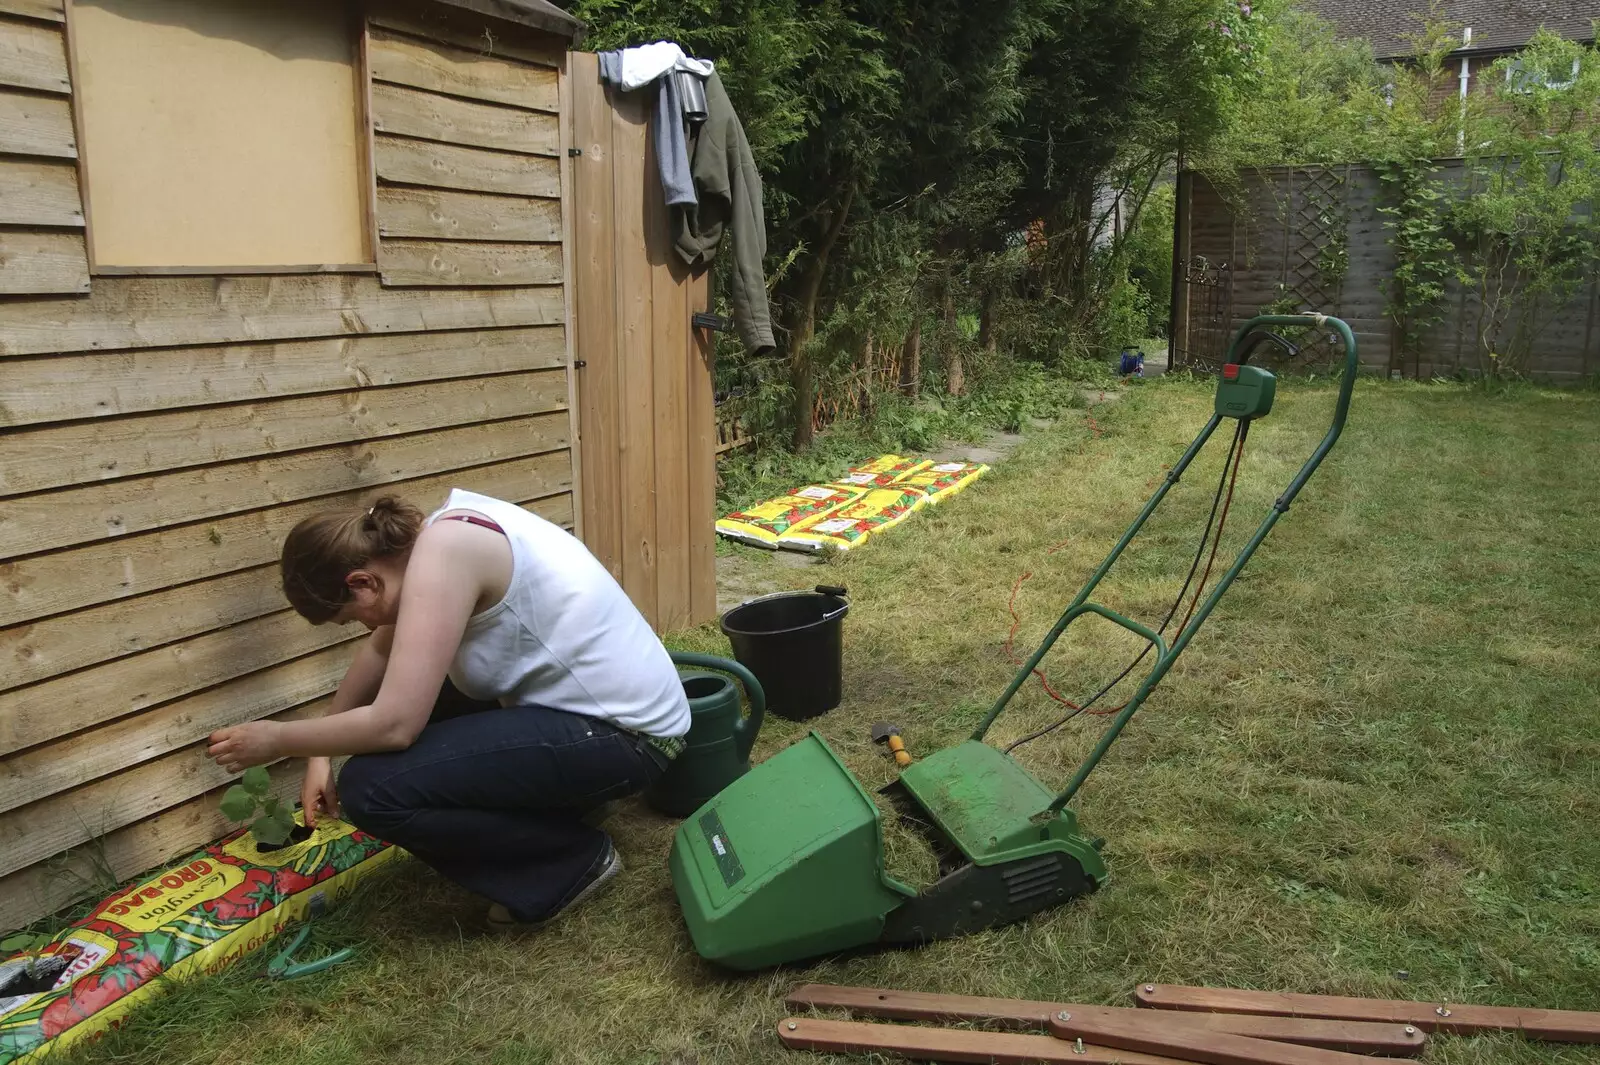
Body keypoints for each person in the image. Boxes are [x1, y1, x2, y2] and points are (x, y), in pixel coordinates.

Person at [204, 488, 690, 930]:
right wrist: (318, 756)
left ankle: (568, 865)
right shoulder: (439, 539)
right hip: (602, 720)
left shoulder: (445, 557)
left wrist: (278, 740)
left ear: (362, 582)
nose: (361, 628)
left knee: (372, 789)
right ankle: (569, 810)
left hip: (629, 738)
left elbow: (394, 727)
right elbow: (380, 649)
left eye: (350, 617)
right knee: (412, 697)